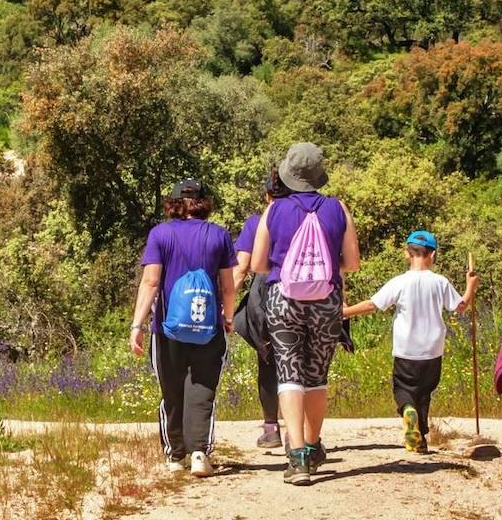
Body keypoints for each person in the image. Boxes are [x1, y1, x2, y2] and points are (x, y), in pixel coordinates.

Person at [251, 142, 361, 486]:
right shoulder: (338, 208)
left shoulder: (275, 210)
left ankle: (296, 457)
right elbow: (353, 263)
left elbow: (257, 264)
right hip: (327, 301)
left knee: (288, 374)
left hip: (283, 300)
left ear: (289, 173)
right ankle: (313, 447)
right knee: (316, 376)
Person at [129, 179, 238, 478]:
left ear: (174, 203)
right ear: (204, 202)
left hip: (167, 329)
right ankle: (200, 453)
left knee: (172, 391)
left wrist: (137, 325)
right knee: (203, 389)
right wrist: (228, 318)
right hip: (209, 328)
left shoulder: (160, 234)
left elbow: (151, 282)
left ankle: (175, 456)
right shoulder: (219, 235)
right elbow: (228, 286)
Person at [344, 229, 478, 454]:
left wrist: (345, 312)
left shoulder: (400, 282)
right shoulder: (440, 282)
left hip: (406, 348)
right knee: (425, 392)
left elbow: (372, 304)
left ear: (407, 253)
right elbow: (460, 307)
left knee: (403, 389)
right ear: (433, 255)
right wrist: (471, 286)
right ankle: (420, 439)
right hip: (432, 349)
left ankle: (407, 411)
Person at [232, 167, 291, 452]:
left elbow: (242, 267)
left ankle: (271, 429)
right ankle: (303, 433)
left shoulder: (257, 222)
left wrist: (226, 305)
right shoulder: (305, 217)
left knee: (267, 362)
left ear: (267, 195)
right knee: (301, 363)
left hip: (266, 296)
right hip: (304, 294)